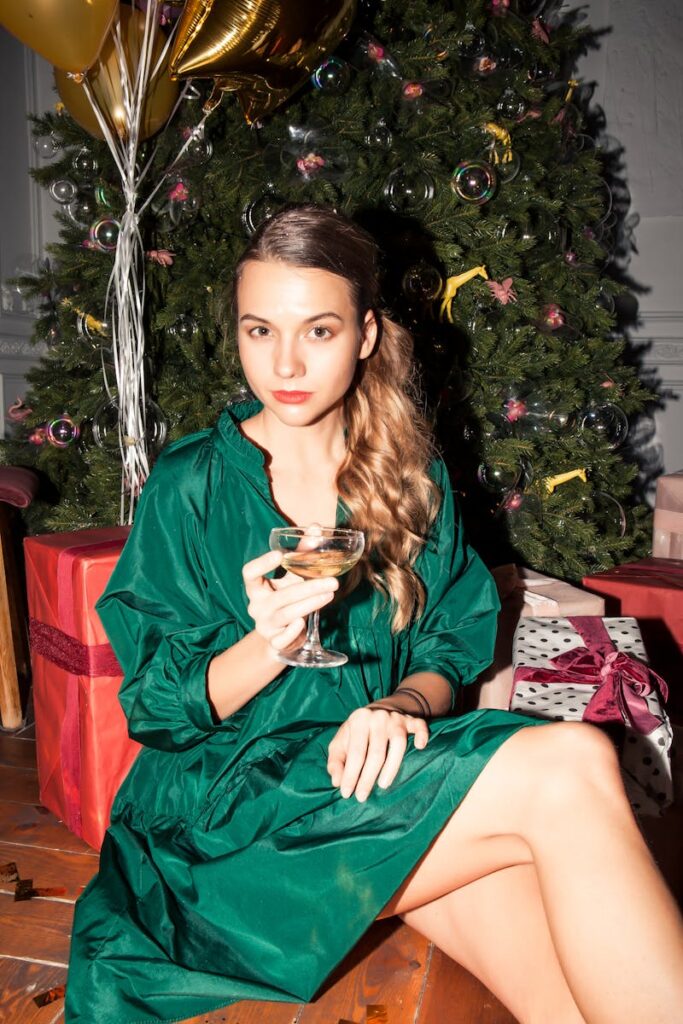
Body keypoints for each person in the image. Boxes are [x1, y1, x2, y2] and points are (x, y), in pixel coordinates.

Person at [65, 205, 683, 1024]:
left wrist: (400, 704)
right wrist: (267, 642)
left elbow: (450, 642)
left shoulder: (406, 472)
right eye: (259, 330)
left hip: (369, 783)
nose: (283, 362)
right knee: (568, 763)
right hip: (225, 827)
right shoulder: (192, 485)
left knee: (563, 997)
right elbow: (153, 707)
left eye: (316, 331)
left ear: (362, 335)